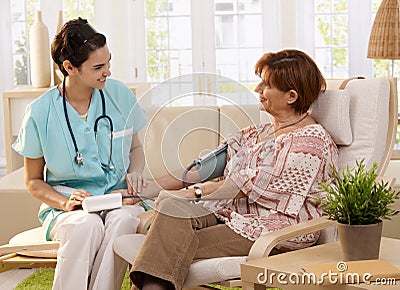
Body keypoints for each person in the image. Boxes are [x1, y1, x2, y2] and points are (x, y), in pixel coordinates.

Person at [128, 49, 339, 290]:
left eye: (267, 84)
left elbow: (247, 184)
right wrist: (142, 192)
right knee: (169, 209)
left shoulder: (310, 142)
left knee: (166, 248)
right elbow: (200, 169)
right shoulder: (258, 134)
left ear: (291, 96)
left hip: (273, 229)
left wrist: (191, 194)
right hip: (230, 214)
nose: (258, 89)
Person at [12, 18, 148, 290]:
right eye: (98, 67)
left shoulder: (120, 95)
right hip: (68, 204)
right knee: (87, 226)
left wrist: (135, 174)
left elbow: (135, 148)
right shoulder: (40, 112)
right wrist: (64, 203)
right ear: (69, 68)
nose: (107, 72)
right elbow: (33, 181)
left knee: (123, 222)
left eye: (109, 62)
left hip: (119, 198)